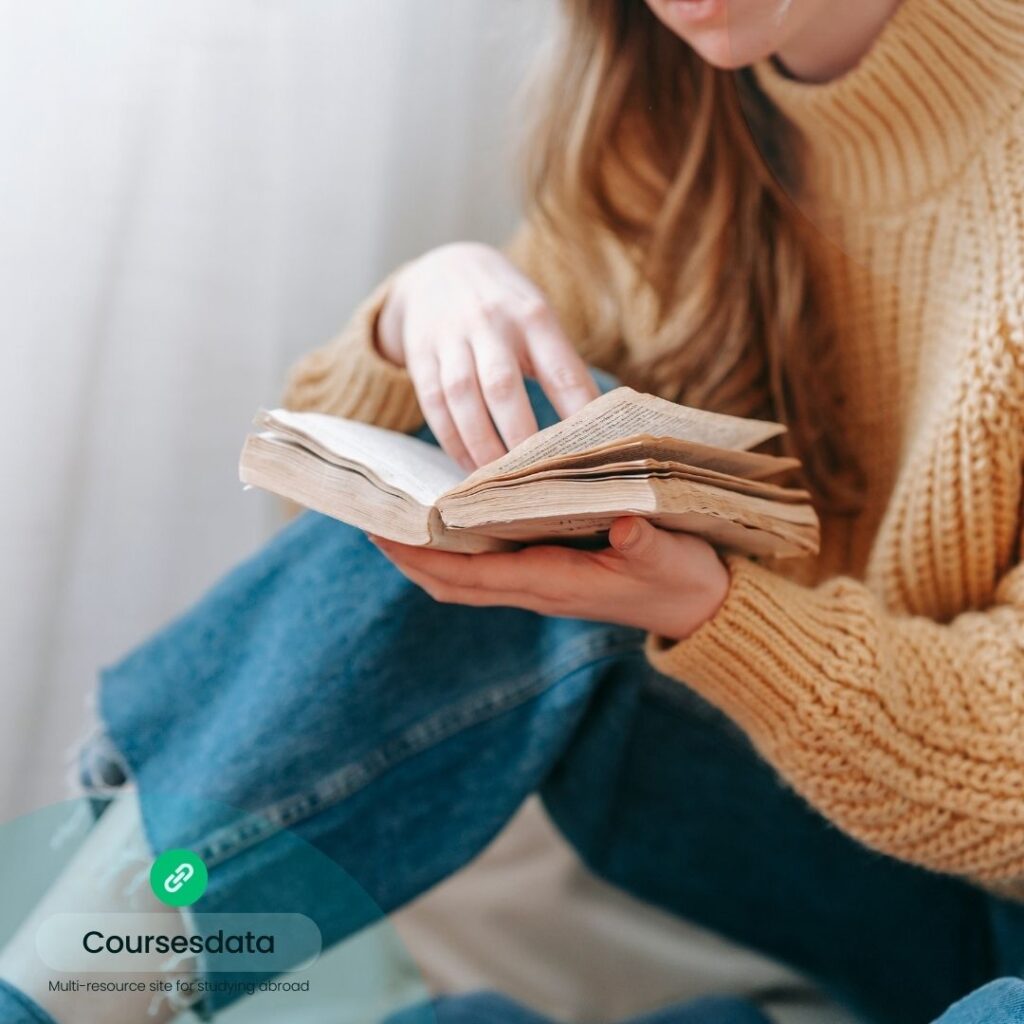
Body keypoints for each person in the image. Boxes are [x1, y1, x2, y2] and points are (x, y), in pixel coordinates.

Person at [3, 0, 1024, 1021]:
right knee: (513, 457)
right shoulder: (668, 113)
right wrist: (419, 311)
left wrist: (718, 615)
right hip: (835, 864)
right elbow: (331, 534)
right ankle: (71, 984)